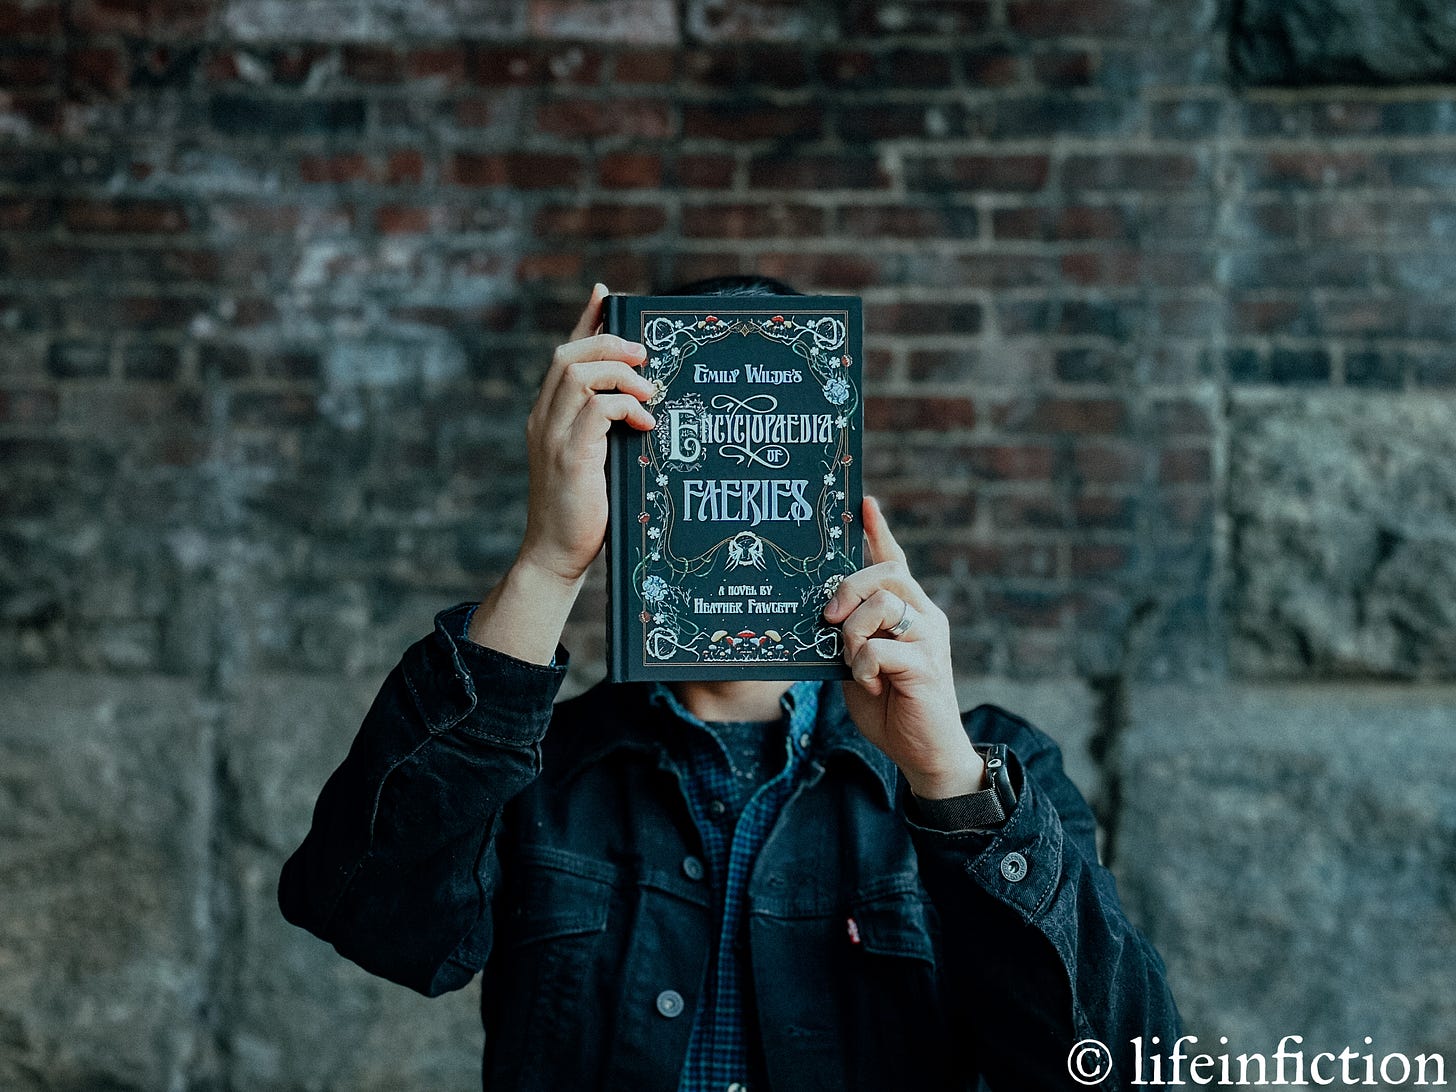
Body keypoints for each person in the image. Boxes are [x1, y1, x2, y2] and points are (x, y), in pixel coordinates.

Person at [278, 274, 1182, 1091]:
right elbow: (371, 919)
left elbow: (1117, 1072)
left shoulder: (993, 771)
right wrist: (548, 565)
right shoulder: (544, 767)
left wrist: (947, 779)